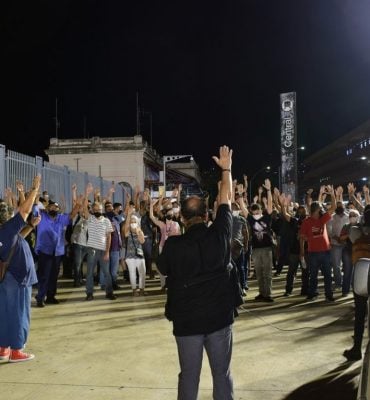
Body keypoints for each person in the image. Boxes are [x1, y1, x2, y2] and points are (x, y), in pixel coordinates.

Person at [157, 146, 241, 400]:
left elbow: (162, 268)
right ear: (207, 215)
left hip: (187, 323)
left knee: (189, 376)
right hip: (219, 319)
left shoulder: (173, 245)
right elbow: (225, 199)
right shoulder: (220, 234)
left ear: (182, 218)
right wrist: (225, 169)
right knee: (222, 374)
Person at [0, 175, 41, 362]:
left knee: (5, 312)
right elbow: (24, 211)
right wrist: (34, 189)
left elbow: (17, 239)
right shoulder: (6, 229)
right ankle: (16, 350)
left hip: (6, 278)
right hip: (18, 278)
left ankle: (3, 349)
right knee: (19, 313)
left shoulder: (7, 232)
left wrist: (30, 227)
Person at [34, 199, 80, 307]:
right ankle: (40, 298)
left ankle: (50, 297)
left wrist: (77, 205)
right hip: (45, 251)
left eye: (55, 207)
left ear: (58, 209)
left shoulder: (61, 218)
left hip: (57, 252)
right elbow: (35, 207)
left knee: (54, 276)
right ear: (47, 208)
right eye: (51, 207)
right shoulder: (42, 216)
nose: (53, 208)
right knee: (44, 275)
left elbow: (72, 215)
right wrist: (36, 195)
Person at [300, 186, 337, 301]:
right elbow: (301, 236)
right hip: (313, 253)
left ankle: (328, 294)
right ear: (316, 209)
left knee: (327, 275)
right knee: (313, 275)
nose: (322, 209)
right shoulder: (306, 222)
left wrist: (332, 194)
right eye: (320, 208)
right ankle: (312, 293)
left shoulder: (323, 219)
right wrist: (304, 245)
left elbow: (334, 207)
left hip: (325, 251)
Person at [343, 206, 370, 361]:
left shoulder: (356, 230)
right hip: (362, 273)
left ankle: (357, 348)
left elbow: (353, 236)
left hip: (362, 274)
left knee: (360, 313)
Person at [123, 211, 147, 296]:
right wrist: (129, 215)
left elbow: (142, 241)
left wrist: (138, 232)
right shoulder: (127, 232)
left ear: (137, 223)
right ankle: (134, 290)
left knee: (142, 272)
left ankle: (141, 289)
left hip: (140, 256)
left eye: (134, 222)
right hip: (130, 256)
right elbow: (126, 226)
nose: (133, 223)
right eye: (131, 222)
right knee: (132, 273)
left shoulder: (140, 231)